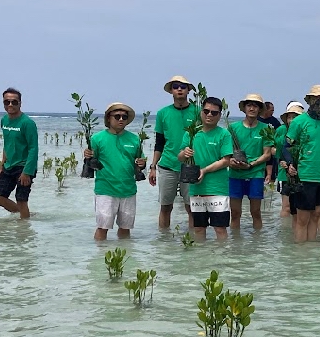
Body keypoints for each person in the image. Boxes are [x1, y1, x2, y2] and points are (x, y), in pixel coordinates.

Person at [285, 85, 320, 242]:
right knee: (302, 218)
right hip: (304, 175)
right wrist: (290, 164)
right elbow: (287, 146)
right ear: (309, 100)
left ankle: (312, 255)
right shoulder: (299, 122)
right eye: (315, 99)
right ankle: (301, 255)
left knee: (316, 215)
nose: (319, 102)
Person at [83, 102, 144, 240]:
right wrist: (87, 156)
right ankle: (99, 257)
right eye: (117, 116)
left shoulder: (135, 139)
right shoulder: (97, 139)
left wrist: (141, 164)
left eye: (124, 116)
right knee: (102, 227)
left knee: (125, 228)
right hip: (105, 189)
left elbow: (139, 163)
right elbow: (91, 163)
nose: (121, 119)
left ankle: (126, 255)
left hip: (128, 189)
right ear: (108, 118)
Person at [178, 96, 234, 240]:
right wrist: (184, 153)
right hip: (196, 189)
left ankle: (223, 260)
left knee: (220, 228)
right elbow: (179, 157)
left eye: (214, 113)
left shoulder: (224, 134)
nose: (209, 115)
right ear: (201, 112)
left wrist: (204, 170)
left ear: (220, 115)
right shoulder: (190, 133)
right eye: (206, 111)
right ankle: (200, 261)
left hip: (217, 189)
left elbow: (226, 160)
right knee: (198, 228)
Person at [150, 75, 200, 229]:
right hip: (167, 165)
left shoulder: (198, 111)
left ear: (189, 91)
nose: (179, 89)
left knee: (191, 208)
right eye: (176, 86)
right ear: (171, 90)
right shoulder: (162, 113)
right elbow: (159, 143)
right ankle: (164, 244)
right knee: (166, 207)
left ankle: (193, 241)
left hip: (191, 165)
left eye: (183, 86)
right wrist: (152, 167)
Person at [227, 94, 275, 231]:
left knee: (256, 213)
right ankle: (234, 245)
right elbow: (227, 153)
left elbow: (266, 154)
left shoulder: (266, 128)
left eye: (255, 105)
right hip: (235, 175)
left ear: (260, 109)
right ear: (244, 108)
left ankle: (258, 246)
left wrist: (251, 165)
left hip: (256, 174)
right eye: (249, 105)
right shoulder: (233, 128)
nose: (252, 108)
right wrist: (232, 162)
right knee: (235, 214)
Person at [0, 87, 38, 219]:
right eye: (7, 102)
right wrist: (1, 166)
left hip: (24, 166)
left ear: (20, 103)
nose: (10, 105)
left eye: (14, 102)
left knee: (21, 200)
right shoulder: (4, 120)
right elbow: (6, 145)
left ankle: (23, 231)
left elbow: (33, 149)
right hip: (9, 165)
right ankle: (25, 216)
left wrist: (26, 172)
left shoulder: (27, 123)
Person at [275, 101, 305, 219]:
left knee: (301, 208)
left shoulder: (305, 130)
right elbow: (277, 149)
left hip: (302, 172)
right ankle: (285, 234)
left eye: (295, 117)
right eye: (290, 117)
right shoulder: (281, 130)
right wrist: (280, 161)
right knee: (286, 206)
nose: (292, 120)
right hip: (284, 173)